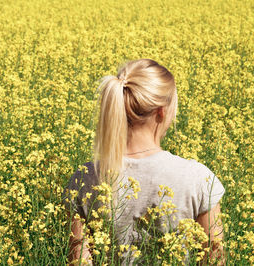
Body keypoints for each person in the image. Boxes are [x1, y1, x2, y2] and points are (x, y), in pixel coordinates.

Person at [62, 59, 225, 265]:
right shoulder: (198, 179)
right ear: (161, 112)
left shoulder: (84, 178)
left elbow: (79, 261)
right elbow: (214, 259)